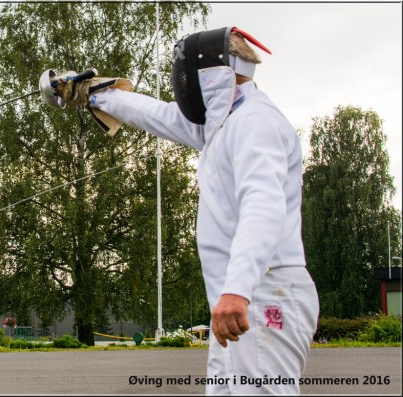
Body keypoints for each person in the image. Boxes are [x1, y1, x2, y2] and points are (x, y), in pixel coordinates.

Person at [55, 27, 319, 394]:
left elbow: (263, 205)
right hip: (244, 298)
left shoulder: (254, 123)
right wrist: (97, 95)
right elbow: (163, 116)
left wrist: (238, 291)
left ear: (210, 74)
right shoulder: (226, 121)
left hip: (263, 292)